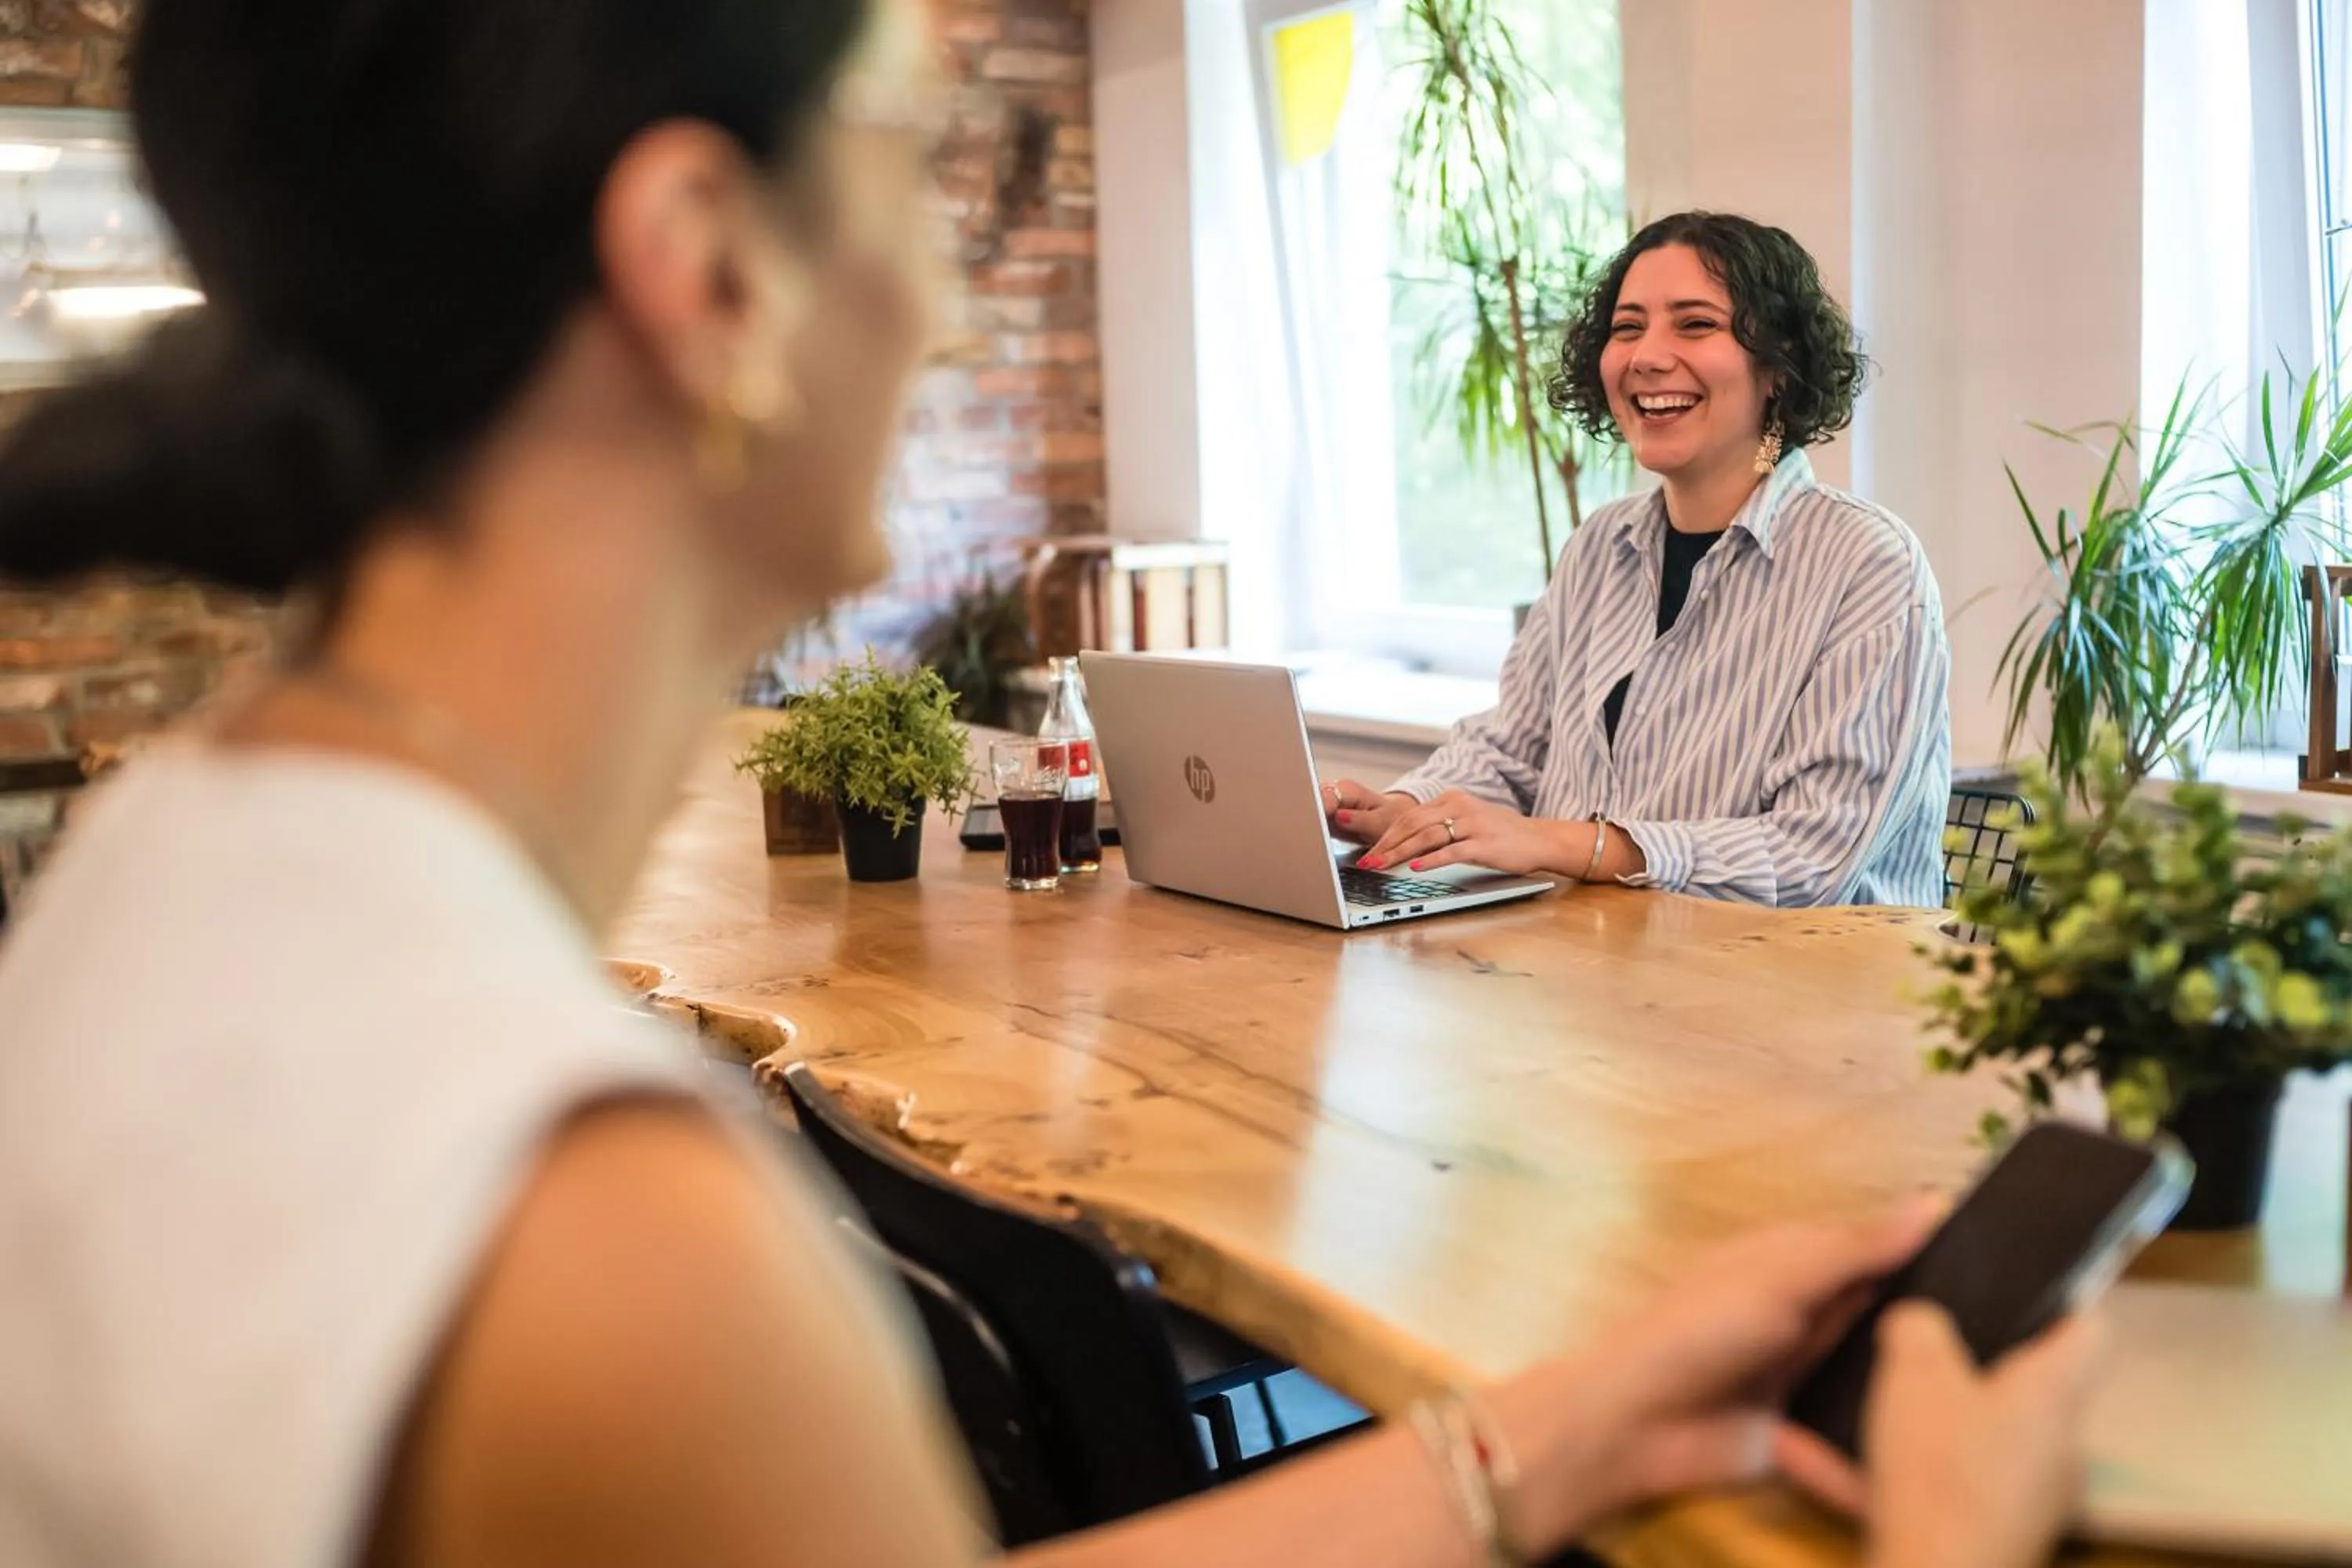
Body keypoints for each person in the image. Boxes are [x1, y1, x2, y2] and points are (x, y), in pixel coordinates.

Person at [0, 5, 2090, 1566]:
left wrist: (1553, 1431)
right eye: (922, 172)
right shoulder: (611, 1248)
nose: (949, 285)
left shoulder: (157, 864)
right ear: (709, 268)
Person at [1328, 212, 1951, 909]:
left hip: (1801, 994)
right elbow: (1512, 751)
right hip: (1594, 969)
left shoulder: (1869, 564)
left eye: (1695, 325)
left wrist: (1573, 845)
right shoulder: (1600, 546)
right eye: (1628, 328)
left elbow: (1812, 857)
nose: (1647, 356)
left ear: (1777, 366)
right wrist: (1407, 812)